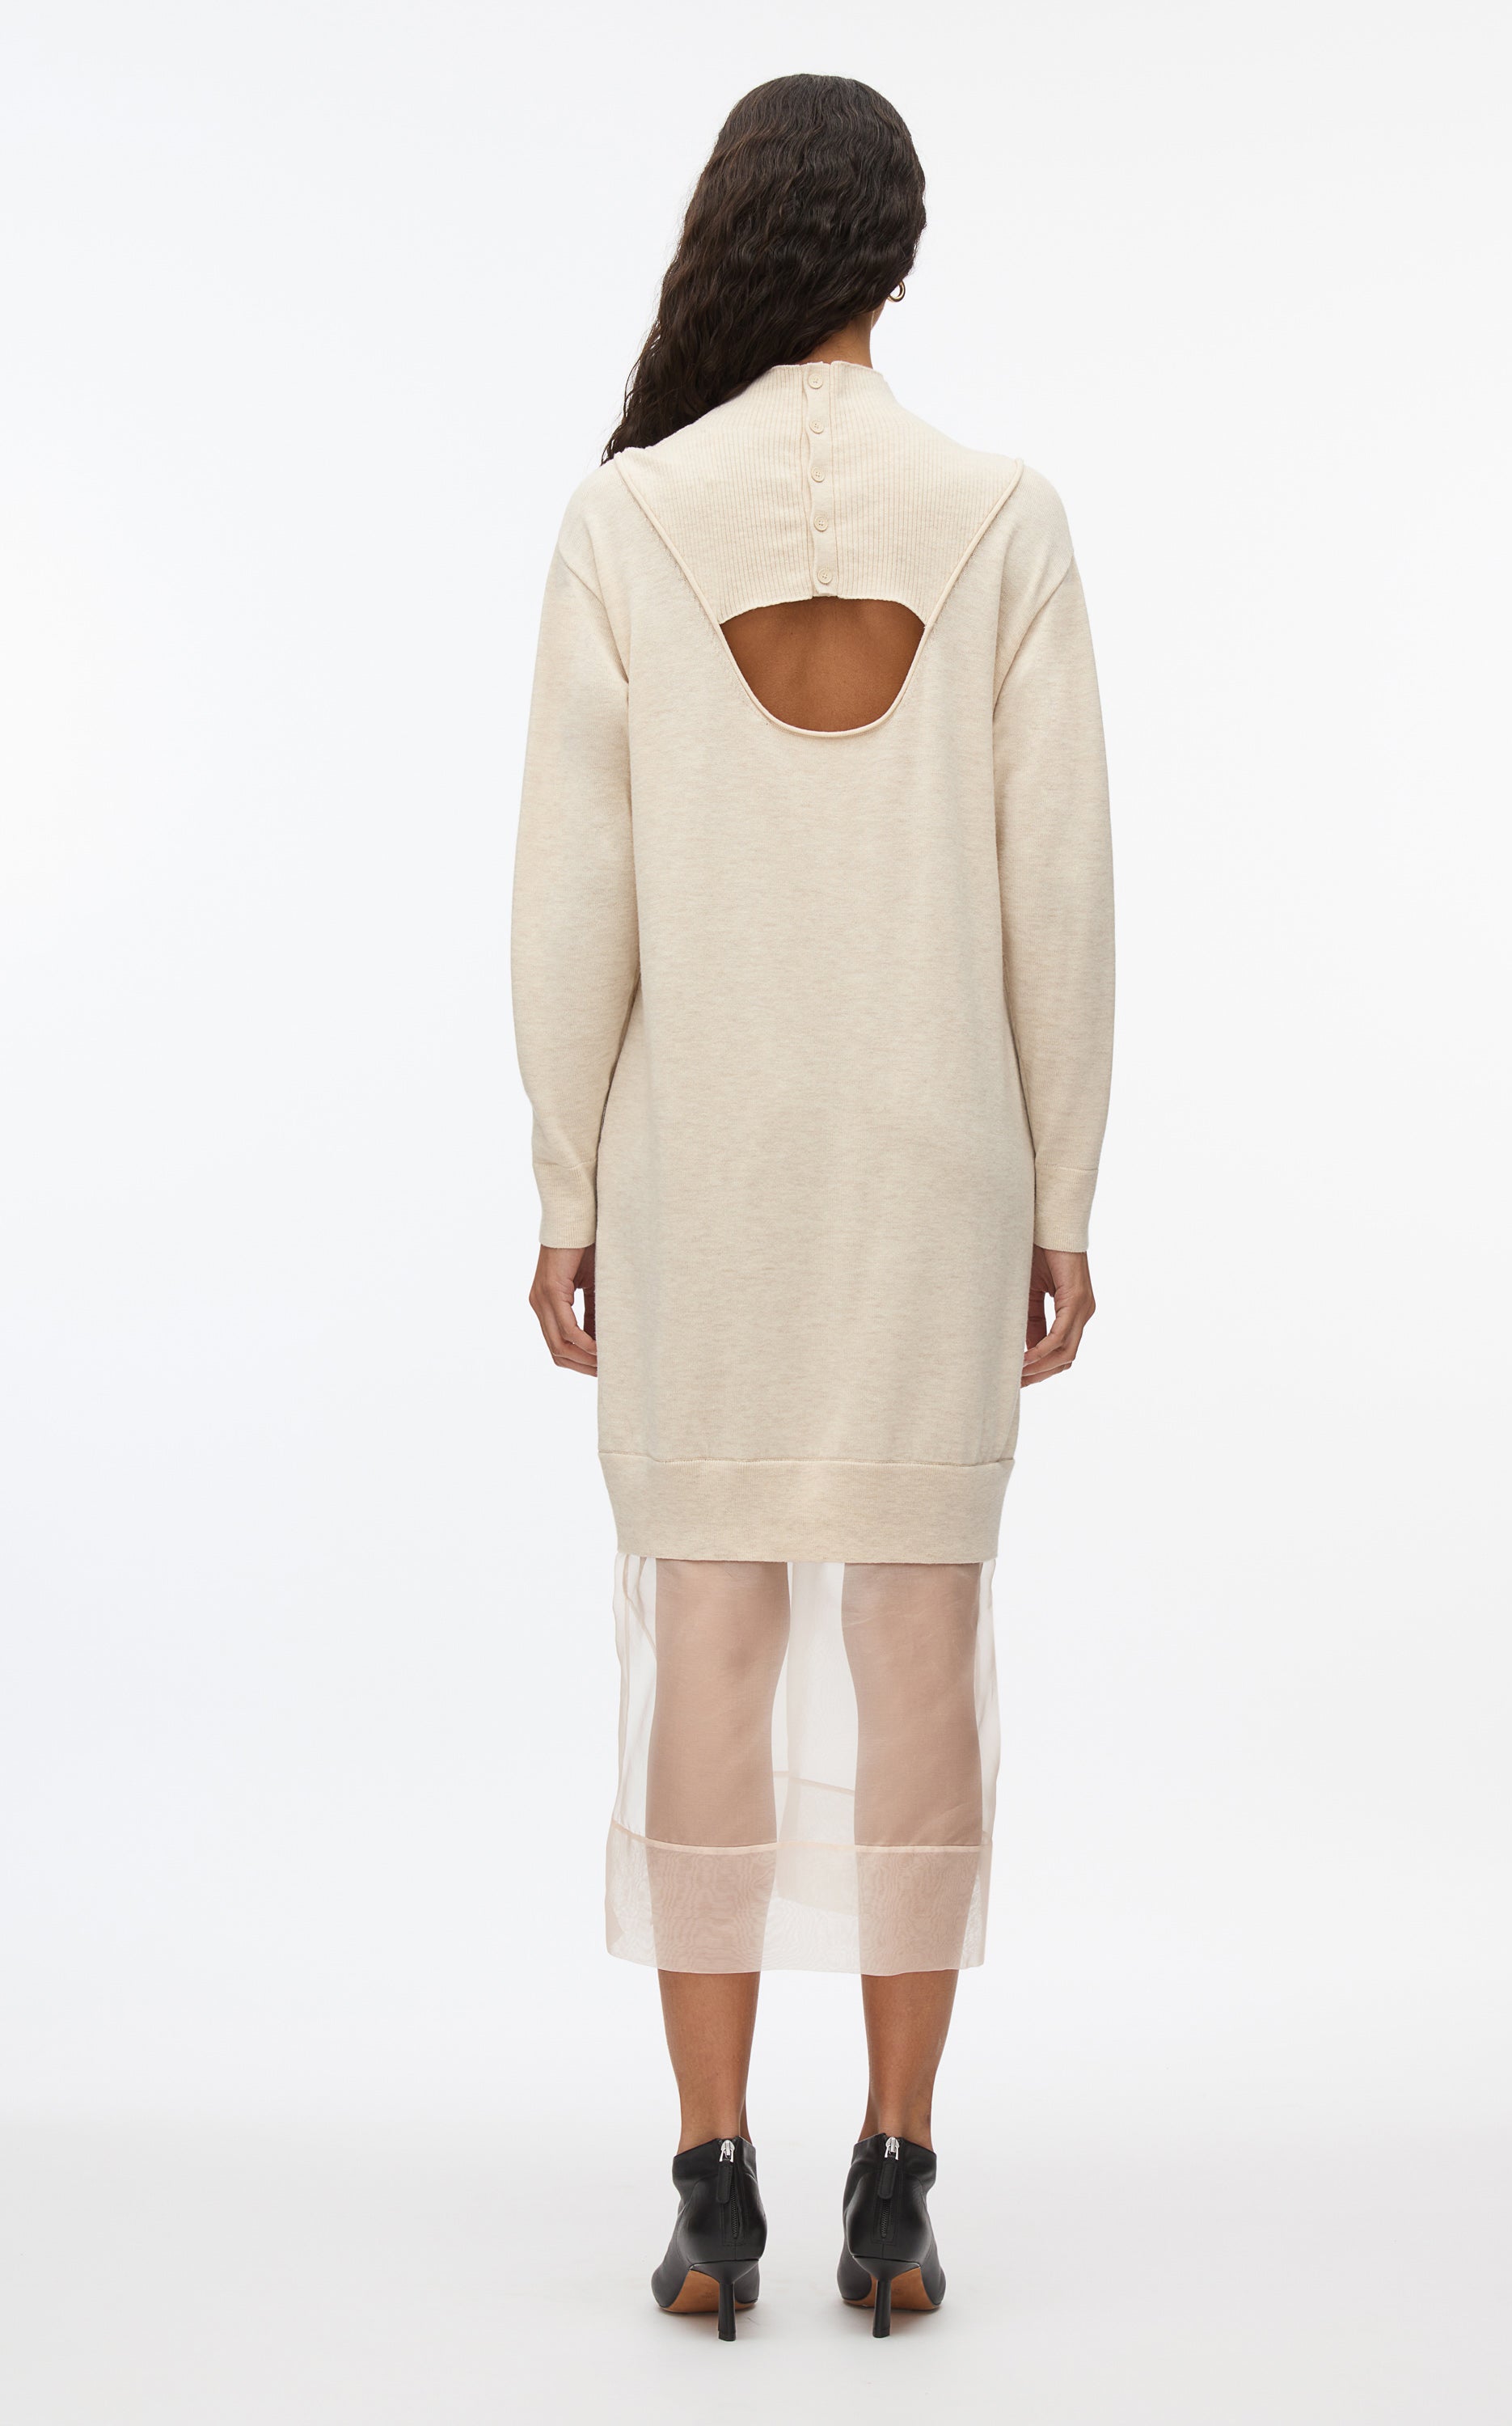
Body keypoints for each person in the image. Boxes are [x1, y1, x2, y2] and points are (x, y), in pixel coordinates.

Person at [512, 72, 1113, 2340]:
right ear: (899, 256)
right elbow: (1060, 893)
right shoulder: (1005, 521)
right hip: (939, 1172)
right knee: (923, 1649)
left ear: (736, 234)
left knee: (708, 1642)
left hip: (706, 1178)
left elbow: (571, 898)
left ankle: (708, 2189)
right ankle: (899, 2182)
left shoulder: (627, 522)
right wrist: (1066, 1188)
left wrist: (566, 1179)